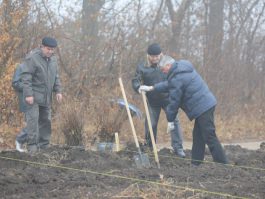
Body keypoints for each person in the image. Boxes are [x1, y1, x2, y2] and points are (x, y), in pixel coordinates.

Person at [141, 55, 228, 165]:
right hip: (204, 105)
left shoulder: (177, 76)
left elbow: (174, 101)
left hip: (203, 106)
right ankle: (196, 163)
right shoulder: (180, 70)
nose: (163, 72)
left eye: (163, 69)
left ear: (168, 65)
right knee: (198, 136)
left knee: (209, 135)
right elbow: (169, 84)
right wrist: (152, 88)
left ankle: (223, 163)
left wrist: (170, 120)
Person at [132, 43, 185, 157]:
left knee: (174, 122)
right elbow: (136, 80)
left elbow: (176, 78)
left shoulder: (168, 63)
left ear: (161, 54)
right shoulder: (142, 66)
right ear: (148, 56)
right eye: (153, 56)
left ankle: (178, 148)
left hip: (168, 99)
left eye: (157, 56)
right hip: (152, 100)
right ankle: (150, 148)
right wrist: (138, 87)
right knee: (151, 123)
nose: (155, 58)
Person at [17, 36, 62, 153]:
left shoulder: (54, 60)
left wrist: (58, 91)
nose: (50, 51)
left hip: (46, 98)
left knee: (46, 121)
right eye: (48, 49)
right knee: (33, 121)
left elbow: (56, 76)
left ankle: (44, 145)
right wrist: (28, 94)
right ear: (42, 46)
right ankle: (32, 147)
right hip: (33, 97)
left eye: (52, 49)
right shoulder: (32, 58)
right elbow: (26, 76)